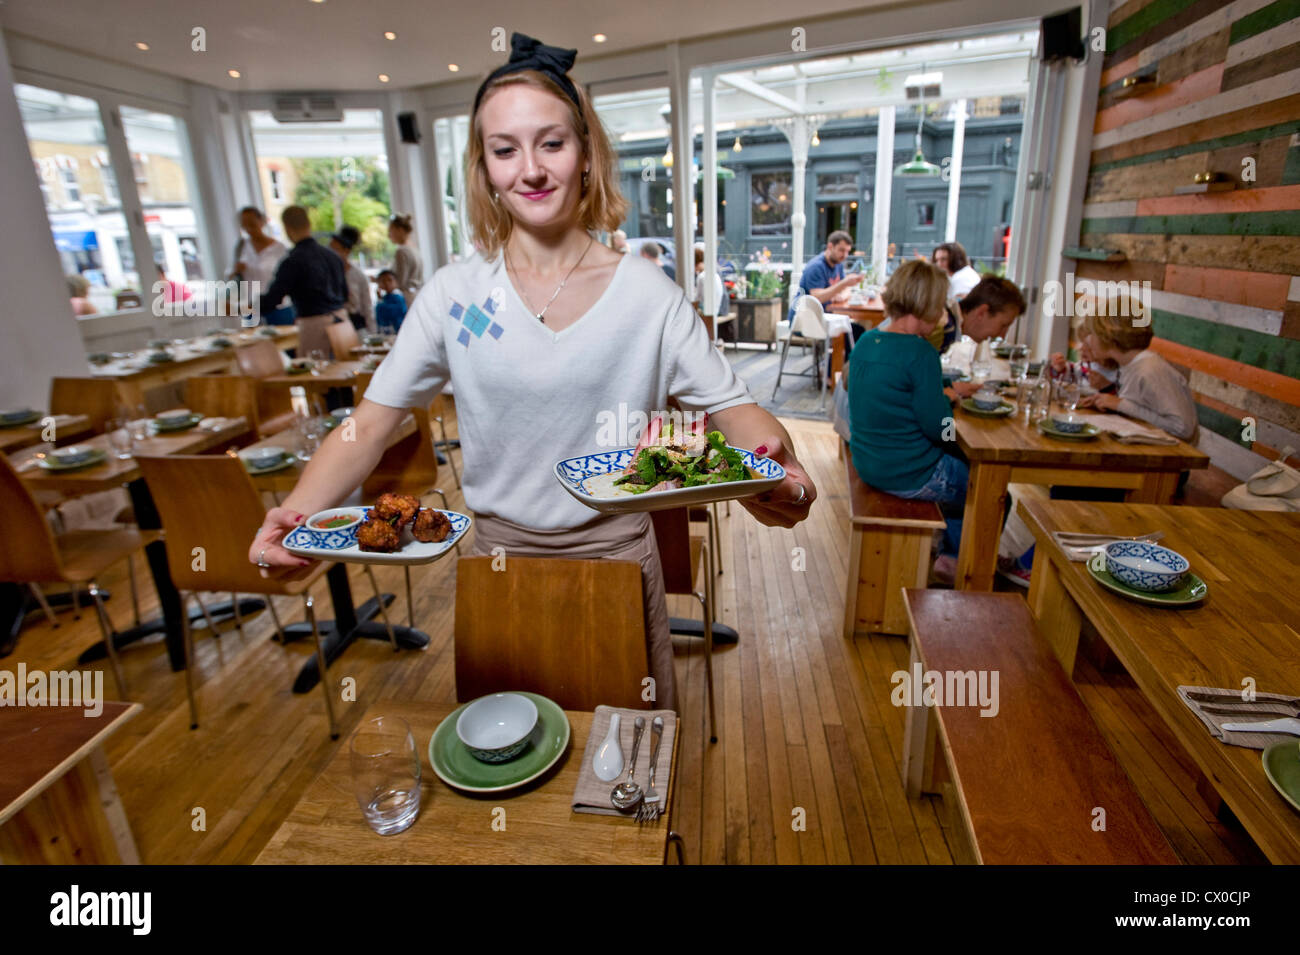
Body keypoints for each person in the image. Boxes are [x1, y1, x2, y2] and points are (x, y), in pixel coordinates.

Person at [246, 32, 817, 713]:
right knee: (502, 777)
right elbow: (368, 426)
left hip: (615, 568)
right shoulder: (456, 297)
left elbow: (735, 410)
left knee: (627, 777)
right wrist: (299, 515)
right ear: (484, 167)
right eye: (504, 148)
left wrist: (778, 467)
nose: (531, 169)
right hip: (499, 570)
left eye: (551, 143)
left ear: (585, 154)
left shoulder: (646, 293)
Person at [849, 260, 964, 585]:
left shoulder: (867, 342)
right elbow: (937, 427)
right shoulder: (920, 352)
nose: (943, 313)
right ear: (928, 305)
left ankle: (944, 548)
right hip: (909, 473)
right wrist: (955, 419)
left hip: (869, 464)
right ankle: (955, 560)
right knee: (982, 486)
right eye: (941, 305)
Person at [1074, 309, 1197, 440]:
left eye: (1091, 334)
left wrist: (1120, 404)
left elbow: (1183, 428)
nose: (1087, 341)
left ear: (1109, 336)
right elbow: (1140, 409)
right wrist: (1106, 401)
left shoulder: (1151, 370)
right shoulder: (1128, 365)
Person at [254, 205, 347, 357]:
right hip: (342, 322)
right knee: (346, 373)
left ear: (287, 228)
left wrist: (242, 308)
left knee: (315, 375)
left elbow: (272, 299)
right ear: (309, 224)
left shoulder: (293, 261)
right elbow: (345, 294)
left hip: (315, 326)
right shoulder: (333, 256)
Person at [229, 206, 291, 323]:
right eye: (244, 225)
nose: (249, 229)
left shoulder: (279, 248)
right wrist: (236, 270)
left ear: (261, 222)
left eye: (252, 224)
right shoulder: (241, 248)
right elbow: (231, 277)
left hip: (278, 307)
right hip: (251, 307)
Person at [788, 230, 858, 324]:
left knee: (858, 329)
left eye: (847, 251)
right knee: (855, 331)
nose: (845, 255)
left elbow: (846, 289)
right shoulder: (816, 267)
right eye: (841, 250)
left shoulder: (838, 264)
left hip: (826, 317)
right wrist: (843, 284)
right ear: (830, 246)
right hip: (805, 321)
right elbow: (817, 298)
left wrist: (841, 296)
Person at [329, 225, 374, 332]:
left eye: (335, 250)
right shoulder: (327, 274)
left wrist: (372, 332)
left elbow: (367, 306)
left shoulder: (358, 276)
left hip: (356, 325)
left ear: (346, 251)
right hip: (334, 326)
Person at [388, 213, 423, 300]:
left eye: (390, 231)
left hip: (407, 298)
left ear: (400, 230)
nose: (389, 235)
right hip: (418, 295)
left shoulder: (401, 251)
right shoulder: (414, 248)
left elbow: (400, 282)